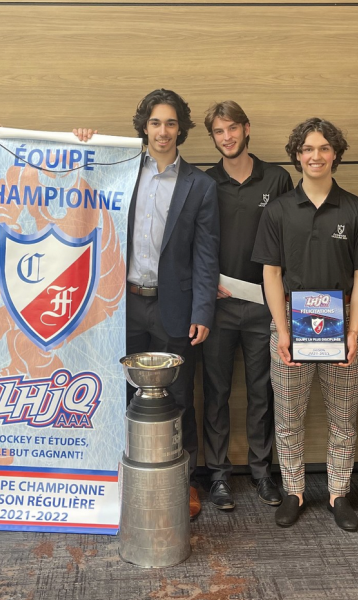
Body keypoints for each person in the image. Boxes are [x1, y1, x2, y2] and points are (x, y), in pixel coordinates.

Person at [252, 118, 358, 530]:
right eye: (307, 149)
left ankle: (338, 493)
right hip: (291, 322)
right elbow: (270, 273)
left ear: (335, 155)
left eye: (324, 148)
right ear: (297, 155)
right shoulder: (277, 211)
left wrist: (353, 331)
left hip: (342, 322)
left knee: (343, 417)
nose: (315, 156)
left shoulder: (357, 210)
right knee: (288, 416)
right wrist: (284, 331)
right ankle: (293, 490)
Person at [126, 89, 220, 520]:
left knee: (180, 397)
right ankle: (127, 483)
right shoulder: (121, 171)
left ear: (180, 127)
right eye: (154, 123)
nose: (162, 132)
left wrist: (202, 311)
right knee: (123, 397)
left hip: (175, 309)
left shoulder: (200, 184)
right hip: (123, 305)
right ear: (143, 126)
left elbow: (206, 254)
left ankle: (183, 485)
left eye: (170, 123)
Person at [200, 101, 292, 510]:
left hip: (264, 306)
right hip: (217, 307)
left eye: (232, 129)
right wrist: (206, 285)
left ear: (246, 129)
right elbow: (195, 243)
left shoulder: (277, 178)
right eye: (219, 132)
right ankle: (218, 476)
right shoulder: (204, 182)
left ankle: (261, 472)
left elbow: (291, 239)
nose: (227, 137)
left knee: (262, 392)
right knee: (216, 392)